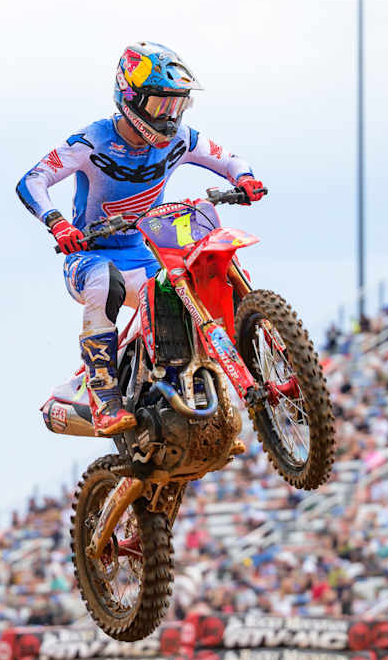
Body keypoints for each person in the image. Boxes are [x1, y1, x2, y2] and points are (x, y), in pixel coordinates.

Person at [16, 41, 266, 436]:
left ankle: (199, 391)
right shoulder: (92, 140)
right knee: (105, 282)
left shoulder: (182, 138)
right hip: (89, 256)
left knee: (190, 286)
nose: (169, 118)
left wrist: (245, 178)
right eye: (159, 106)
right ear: (129, 98)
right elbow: (33, 180)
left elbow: (227, 156)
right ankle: (103, 394)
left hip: (144, 251)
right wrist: (58, 222)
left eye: (177, 106)